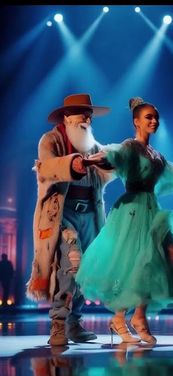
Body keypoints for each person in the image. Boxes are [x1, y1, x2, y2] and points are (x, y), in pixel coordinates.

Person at [76, 96, 173, 345]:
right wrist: (90, 160)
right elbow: (112, 155)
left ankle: (138, 316)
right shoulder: (131, 147)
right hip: (132, 210)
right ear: (136, 122)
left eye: (155, 117)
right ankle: (123, 317)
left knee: (168, 255)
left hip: (152, 209)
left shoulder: (157, 155)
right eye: (148, 117)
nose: (154, 121)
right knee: (138, 263)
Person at [26, 93, 115, 346]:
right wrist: (73, 163)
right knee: (72, 262)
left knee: (87, 269)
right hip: (62, 215)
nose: (86, 118)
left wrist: (108, 161)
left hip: (90, 213)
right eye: (80, 113)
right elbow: (47, 167)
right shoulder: (51, 140)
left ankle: (74, 322)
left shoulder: (93, 145)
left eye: (88, 114)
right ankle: (58, 323)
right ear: (66, 117)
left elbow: (109, 169)